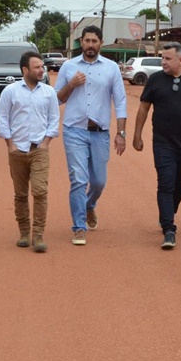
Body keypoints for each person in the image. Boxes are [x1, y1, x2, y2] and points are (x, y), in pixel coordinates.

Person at [54, 25, 128, 245]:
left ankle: (89, 206)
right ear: (81, 43)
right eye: (86, 41)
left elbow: (121, 101)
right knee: (78, 179)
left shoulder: (111, 68)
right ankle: (78, 227)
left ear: (100, 43)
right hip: (74, 131)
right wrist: (71, 84)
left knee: (98, 181)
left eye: (94, 41)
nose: (90, 45)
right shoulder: (68, 66)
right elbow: (57, 98)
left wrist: (121, 133)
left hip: (100, 133)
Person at [132, 43, 181, 249]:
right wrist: (137, 135)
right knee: (165, 183)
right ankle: (169, 228)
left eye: (167, 59)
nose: (163, 62)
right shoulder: (155, 80)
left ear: (180, 60)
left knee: (180, 184)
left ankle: (168, 212)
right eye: (162, 59)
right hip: (163, 143)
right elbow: (144, 108)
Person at [0, 51, 60, 253]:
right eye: (37, 67)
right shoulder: (10, 91)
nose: (42, 70)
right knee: (21, 194)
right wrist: (10, 145)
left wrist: (46, 142)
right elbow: (3, 119)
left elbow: (54, 119)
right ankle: (24, 232)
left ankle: (38, 235)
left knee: (40, 192)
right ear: (25, 70)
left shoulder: (49, 92)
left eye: (42, 66)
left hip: (39, 149)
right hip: (17, 150)